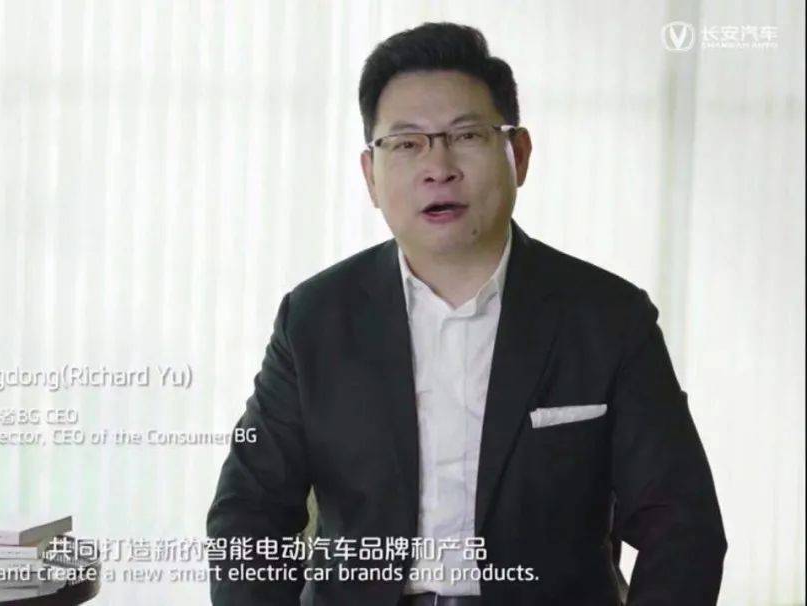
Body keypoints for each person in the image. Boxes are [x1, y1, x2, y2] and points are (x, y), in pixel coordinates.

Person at [206, 21, 726, 606]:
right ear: (370, 175)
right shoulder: (314, 318)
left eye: (467, 135)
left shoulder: (609, 318)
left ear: (518, 155)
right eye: (407, 143)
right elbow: (249, 513)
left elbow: (681, 525)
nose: (439, 167)